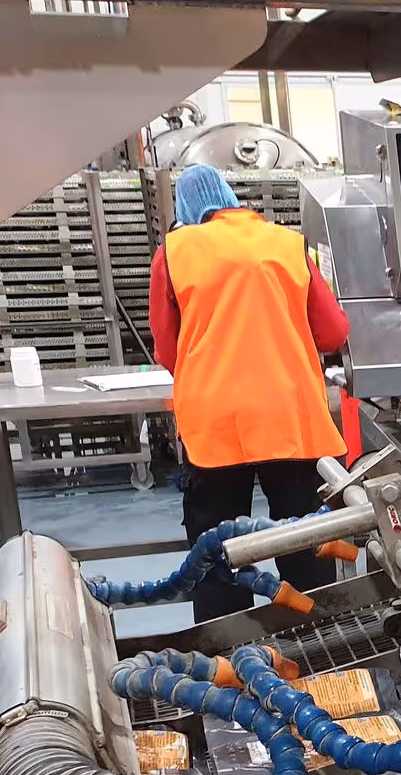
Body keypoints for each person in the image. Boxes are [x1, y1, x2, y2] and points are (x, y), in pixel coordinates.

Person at [149, 164, 352, 622]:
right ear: (231, 198)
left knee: (218, 552)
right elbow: (334, 333)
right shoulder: (288, 244)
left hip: (215, 426)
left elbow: (167, 350)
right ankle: (321, 640)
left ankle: (229, 648)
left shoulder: (174, 252)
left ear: (186, 210)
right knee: (306, 542)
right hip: (291, 418)